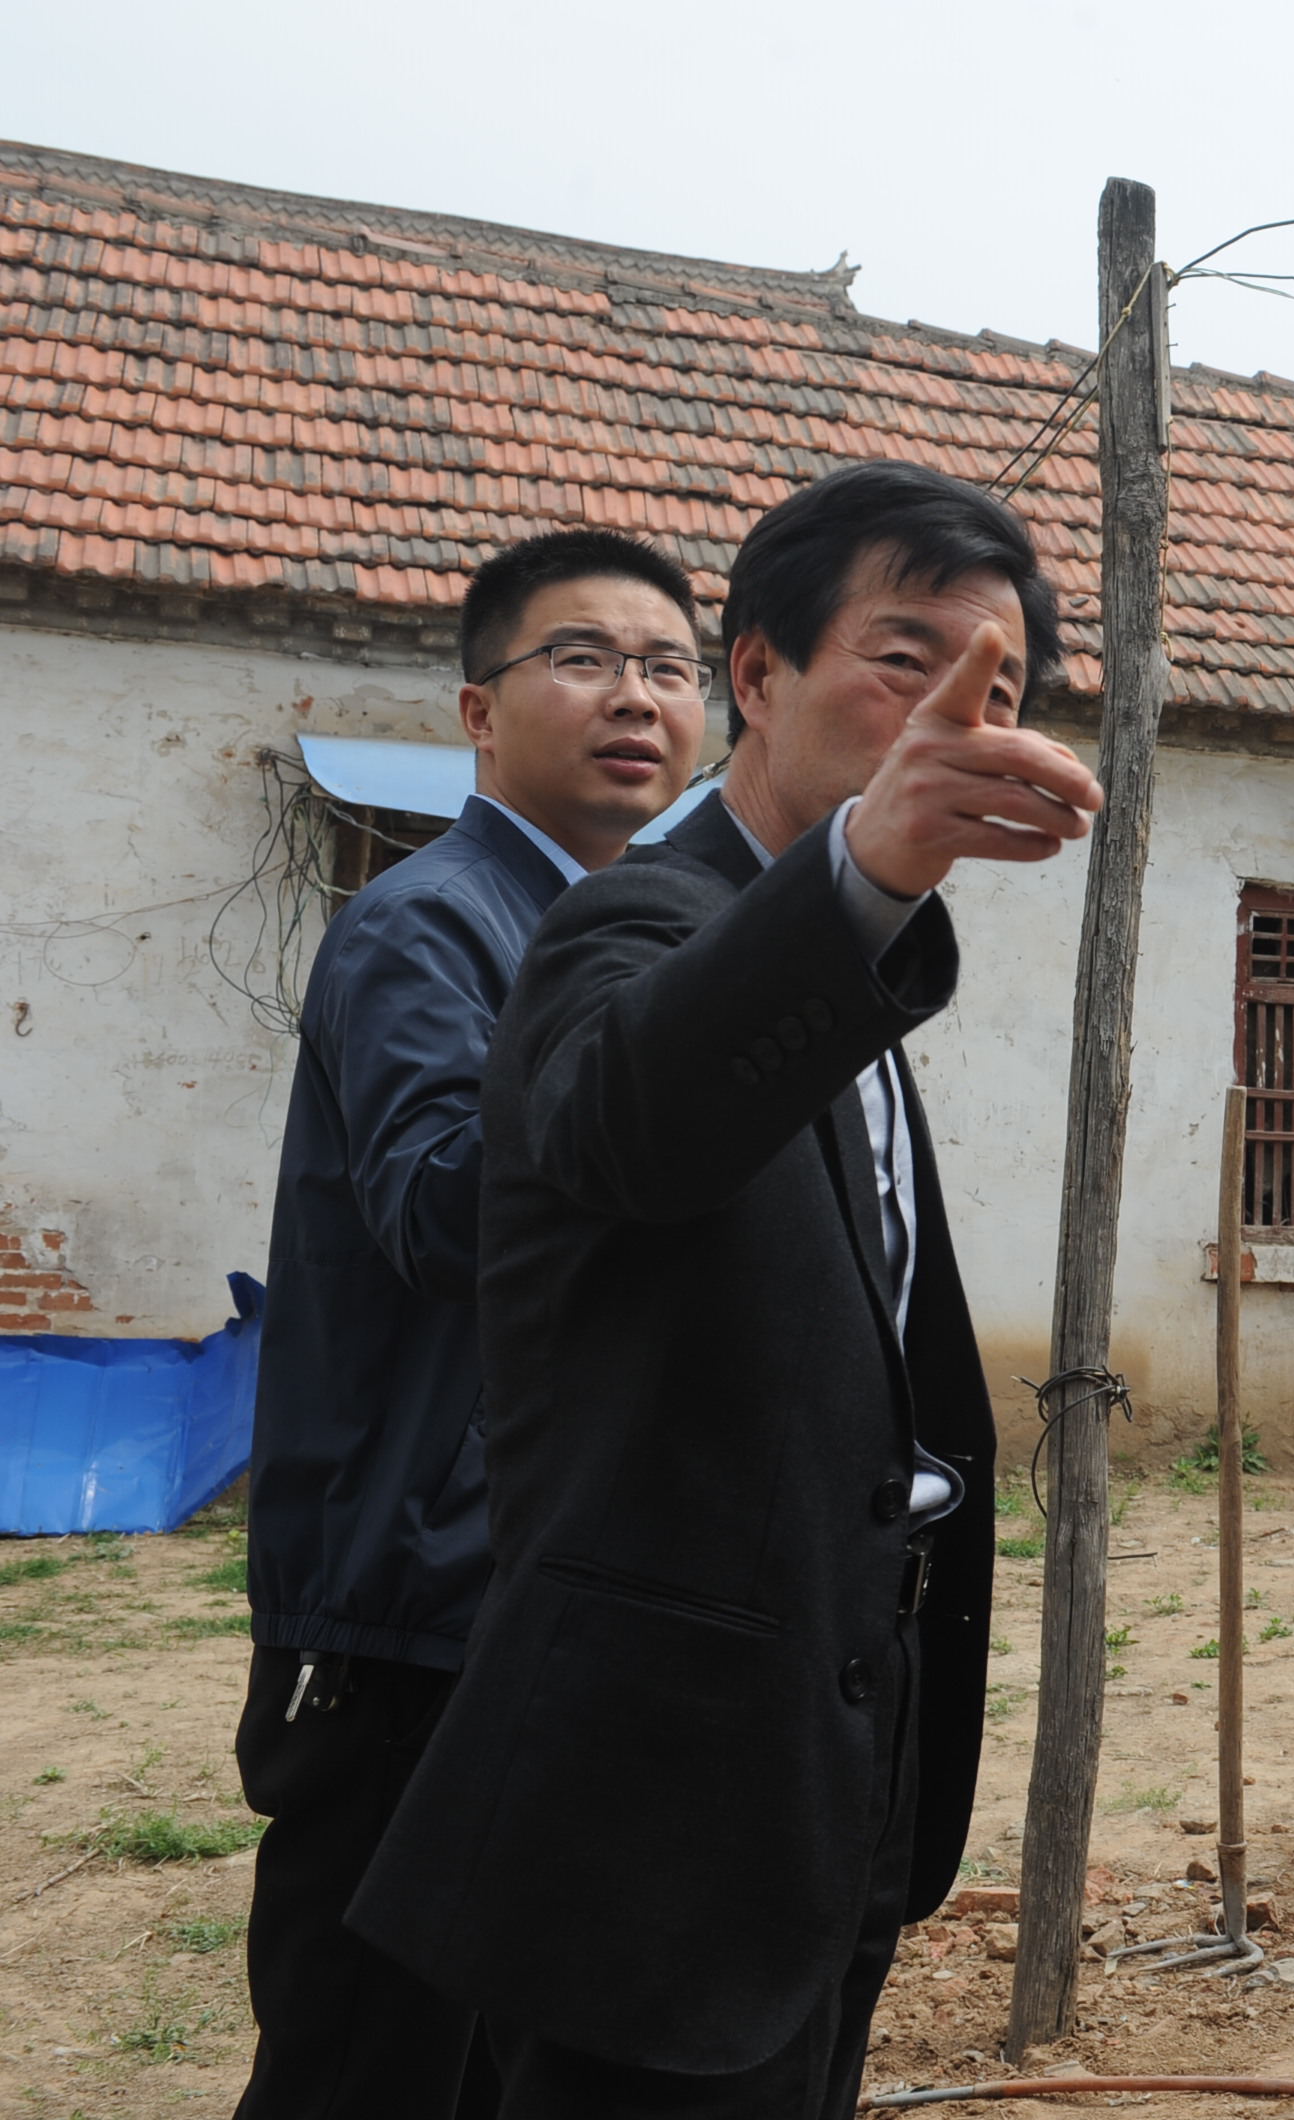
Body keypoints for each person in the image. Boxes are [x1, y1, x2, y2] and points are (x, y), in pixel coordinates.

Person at [347, 461, 1104, 2118]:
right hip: (656, 1809)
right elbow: (633, 1127)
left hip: (823, 1773)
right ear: (756, 674)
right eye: (902, 662)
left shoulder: (860, 966)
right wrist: (869, 872)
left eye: (995, 690)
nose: (950, 719)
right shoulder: (627, 922)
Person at [235, 528, 710, 2119]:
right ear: (477, 713)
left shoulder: (624, 926)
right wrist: (653, 1066)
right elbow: (443, 1212)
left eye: (669, 669)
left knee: (506, 2060)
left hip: (547, 1575)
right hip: (417, 1595)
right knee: (368, 2063)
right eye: (583, 659)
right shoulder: (430, 923)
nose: (635, 697)